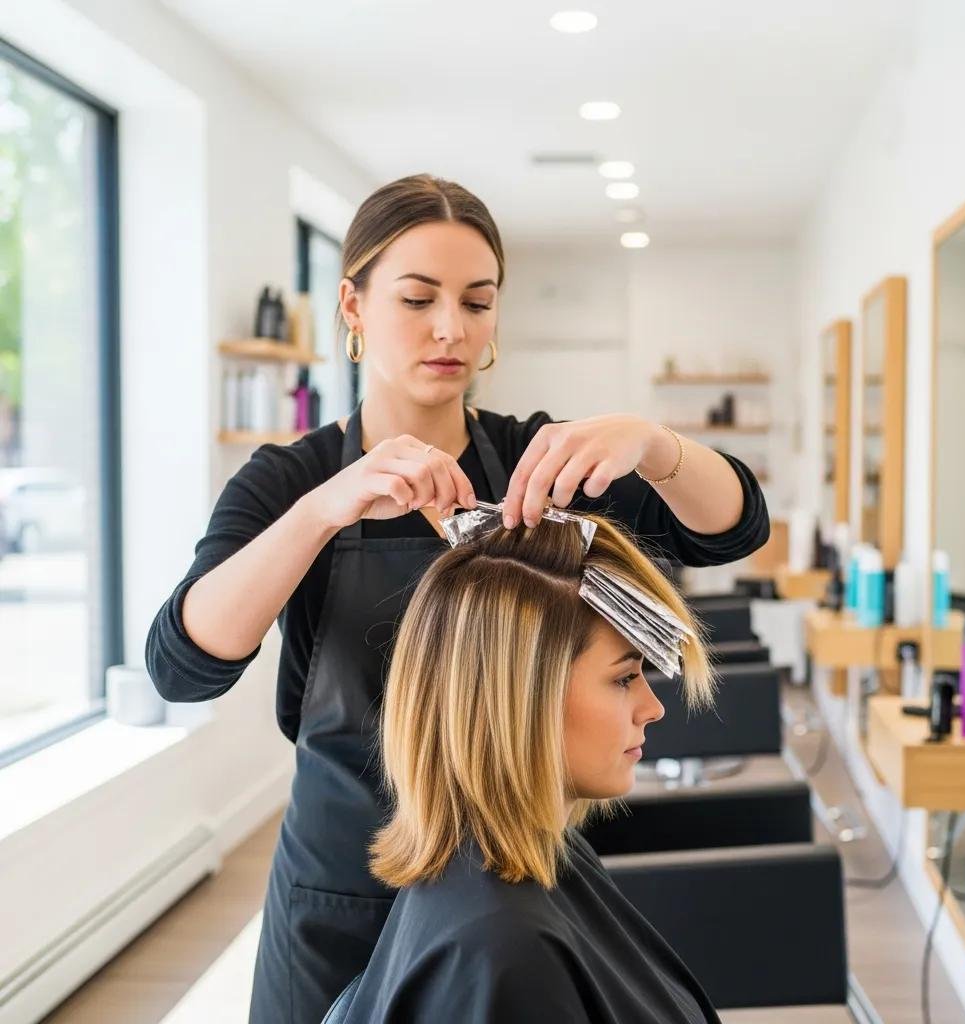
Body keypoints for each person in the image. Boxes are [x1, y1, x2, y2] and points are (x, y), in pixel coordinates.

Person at [145, 173, 769, 1024]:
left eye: (478, 303)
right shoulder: (291, 482)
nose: (451, 328)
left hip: (506, 888)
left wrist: (655, 445)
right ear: (354, 306)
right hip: (341, 892)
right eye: (417, 298)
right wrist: (329, 507)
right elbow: (183, 667)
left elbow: (730, 531)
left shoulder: (536, 466)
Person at [325, 512, 720, 1023]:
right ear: (521, 700)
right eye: (623, 678)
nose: (653, 707)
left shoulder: (541, 856)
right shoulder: (503, 951)